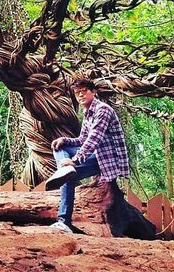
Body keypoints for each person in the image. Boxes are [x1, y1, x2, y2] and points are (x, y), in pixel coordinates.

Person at [45, 78, 129, 233]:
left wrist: (75, 161)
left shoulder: (102, 110)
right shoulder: (87, 111)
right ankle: (65, 171)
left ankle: (64, 221)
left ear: (94, 92)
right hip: (94, 155)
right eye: (77, 93)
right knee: (60, 148)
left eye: (84, 92)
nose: (80, 96)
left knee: (68, 173)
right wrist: (64, 140)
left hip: (106, 159)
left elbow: (93, 139)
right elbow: (82, 139)